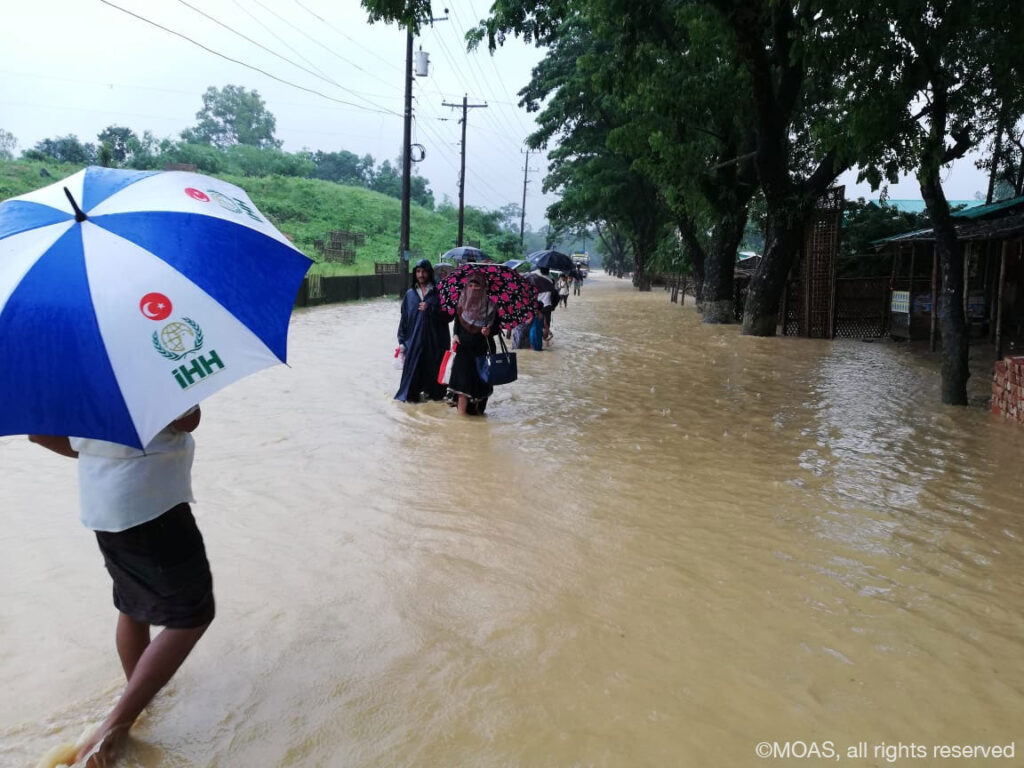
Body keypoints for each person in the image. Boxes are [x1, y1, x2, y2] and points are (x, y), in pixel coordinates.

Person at [29, 407, 214, 767]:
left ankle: (142, 696)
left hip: (105, 503)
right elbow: (187, 420)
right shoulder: (144, 354)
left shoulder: (66, 369)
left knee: (132, 604)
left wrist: (103, 450)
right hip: (153, 504)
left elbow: (41, 436)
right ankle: (116, 725)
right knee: (193, 615)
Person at [395, 258, 451, 402]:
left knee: (435, 393)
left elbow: (449, 317)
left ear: (429, 273)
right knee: (410, 392)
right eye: (418, 271)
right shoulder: (410, 295)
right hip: (414, 344)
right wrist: (402, 342)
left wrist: (430, 309)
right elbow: (404, 321)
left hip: (435, 345)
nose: (421, 275)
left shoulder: (440, 293)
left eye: (424, 271)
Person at [447, 271, 497, 415]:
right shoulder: (462, 302)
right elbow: (457, 321)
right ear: (467, 286)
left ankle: (478, 416)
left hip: (483, 350)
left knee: (481, 385)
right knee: (462, 386)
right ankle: (462, 422)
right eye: (471, 284)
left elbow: (497, 328)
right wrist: (455, 334)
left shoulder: (491, 306)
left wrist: (490, 330)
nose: (474, 288)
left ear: (483, 287)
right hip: (463, 350)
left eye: (477, 285)